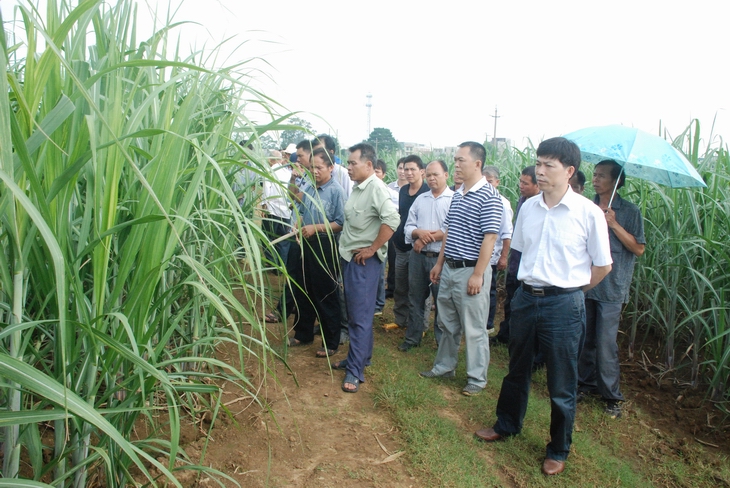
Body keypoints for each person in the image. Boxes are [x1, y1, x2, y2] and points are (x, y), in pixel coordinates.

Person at [474, 137, 612, 477]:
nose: (540, 171)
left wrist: (573, 291)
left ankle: (558, 448)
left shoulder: (588, 213)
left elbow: (603, 266)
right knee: (516, 368)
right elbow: (521, 251)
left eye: (549, 165)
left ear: (569, 171)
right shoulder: (529, 208)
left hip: (564, 305)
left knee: (562, 381)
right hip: (525, 299)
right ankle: (507, 424)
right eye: (538, 163)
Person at [420, 142, 502, 397]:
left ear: (477, 164)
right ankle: (445, 366)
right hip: (450, 268)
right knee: (446, 322)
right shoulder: (458, 194)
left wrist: (478, 274)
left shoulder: (489, 196)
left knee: (474, 328)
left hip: (470, 270)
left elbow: (490, 238)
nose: (456, 164)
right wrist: (440, 263)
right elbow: (449, 233)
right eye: (455, 160)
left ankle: (477, 378)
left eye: (460, 160)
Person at [578, 159, 645, 419]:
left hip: (612, 288)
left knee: (606, 343)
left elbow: (638, 248)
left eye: (602, 176)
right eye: (594, 174)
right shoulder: (586, 206)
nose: (595, 179)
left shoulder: (629, 211)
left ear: (617, 181)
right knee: (585, 338)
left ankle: (611, 396)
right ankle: (585, 384)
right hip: (586, 283)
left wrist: (614, 224)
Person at [336, 143, 399, 393]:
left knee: (359, 317)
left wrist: (373, 248)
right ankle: (361, 357)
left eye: (353, 163)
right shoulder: (359, 187)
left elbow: (392, 219)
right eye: (348, 163)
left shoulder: (376, 188)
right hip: (351, 258)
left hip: (363, 262)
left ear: (369, 165)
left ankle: (355, 371)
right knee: (357, 314)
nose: (349, 168)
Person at [288, 147, 347, 357]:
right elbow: (301, 210)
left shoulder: (336, 191)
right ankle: (303, 333)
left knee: (325, 293)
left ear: (331, 167)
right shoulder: (310, 187)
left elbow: (340, 222)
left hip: (325, 246)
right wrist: (299, 223)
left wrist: (317, 228)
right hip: (306, 243)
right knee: (304, 290)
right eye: (312, 167)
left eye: (319, 167)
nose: (314, 171)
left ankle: (331, 342)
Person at [399, 160, 454, 350]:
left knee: (442, 301)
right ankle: (413, 337)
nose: (431, 178)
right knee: (415, 297)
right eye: (428, 175)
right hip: (418, 257)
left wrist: (423, 238)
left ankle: (442, 342)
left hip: (441, 258)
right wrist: (417, 233)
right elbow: (408, 226)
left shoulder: (454, 200)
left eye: (435, 174)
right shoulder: (421, 199)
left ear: (446, 175)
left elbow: (450, 230)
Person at [492, 166, 539, 345]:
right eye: (520, 181)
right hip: (516, 261)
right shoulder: (522, 201)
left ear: (537, 185)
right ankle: (506, 334)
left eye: (525, 183)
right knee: (511, 299)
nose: (521, 186)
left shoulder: (538, 206)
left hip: (528, 264)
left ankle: (519, 338)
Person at [392, 156, 429, 331]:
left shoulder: (427, 192)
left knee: (419, 289)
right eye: (406, 169)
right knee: (400, 285)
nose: (408, 172)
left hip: (419, 248)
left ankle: (421, 324)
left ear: (422, 171)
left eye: (413, 169)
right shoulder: (403, 190)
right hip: (401, 246)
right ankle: (401, 319)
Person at [482, 166, 513, 334]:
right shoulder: (480, 199)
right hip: (478, 254)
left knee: (489, 289)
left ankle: (488, 324)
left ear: (497, 182)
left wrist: (503, 257)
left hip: (493, 255)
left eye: (490, 182)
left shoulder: (503, 203)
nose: (487, 185)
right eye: (484, 182)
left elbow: (507, 234)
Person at [373, 159, 398, 315]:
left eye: (377, 171)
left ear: (383, 174)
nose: (374, 174)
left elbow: (394, 217)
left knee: (381, 270)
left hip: (384, 236)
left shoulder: (391, 194)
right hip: (369, 237)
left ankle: (379, 303)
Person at [261, 149, 293, 266]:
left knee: (268, 237)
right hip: (286, 212)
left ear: (270, 160)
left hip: (272, 210)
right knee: (283, 239)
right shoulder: (287, 172)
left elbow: (266, 189)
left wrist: (264, 205)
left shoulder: (270, 171)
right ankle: (281, 265)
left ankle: (272, 263)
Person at [386, 158, 407, 298]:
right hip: (390, 227)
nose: (403, 172)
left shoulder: (412, 189)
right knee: (391, 257)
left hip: (404, 228)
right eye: (400, 168)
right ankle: (391, 286)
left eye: (406, 169)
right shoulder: (389, 187)